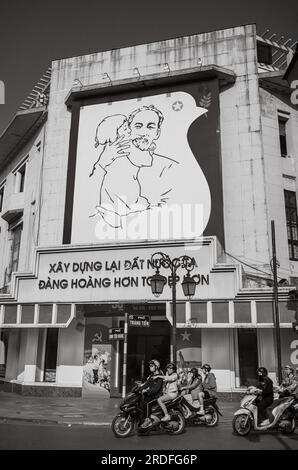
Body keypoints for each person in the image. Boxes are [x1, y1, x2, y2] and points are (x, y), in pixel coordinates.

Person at [138, 359, 164, 427]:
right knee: (140, 403)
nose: (150, 367)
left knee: (146, 404)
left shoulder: (159, 377)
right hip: (151, 395)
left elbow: (156, 389)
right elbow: (146, 384)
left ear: (156, 367)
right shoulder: (151, 375)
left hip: (157, 396)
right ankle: (142, 419)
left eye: (152, 366)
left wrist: (147, 391)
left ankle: (147, 420)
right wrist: (137, 389)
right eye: (150, 366)